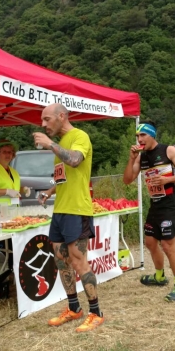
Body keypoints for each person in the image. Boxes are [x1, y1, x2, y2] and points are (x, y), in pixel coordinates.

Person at [33, 103, 104, 332]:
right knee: (61, 260)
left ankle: (96, 312)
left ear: (61, 116)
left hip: (77, 210)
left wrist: (50, 144)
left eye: (47, 119)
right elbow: (62, 177)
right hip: (60, 211)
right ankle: (74, 308)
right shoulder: (60, 145)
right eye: (42, 121)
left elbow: (75, 160)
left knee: (78, 260)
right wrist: (48, 191)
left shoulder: (79, 136)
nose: (43, 125)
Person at [122, 121, 175, 302]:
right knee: (150, 242)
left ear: (152, 135)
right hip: (155, 204)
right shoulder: (141, 156)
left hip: (171, 204)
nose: (139, 139)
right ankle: (159, 277)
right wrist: (131, 159)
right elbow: (127, 180)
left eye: (142, 135)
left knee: (169, 246)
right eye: (137, 136)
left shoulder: (168, 150)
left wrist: (167, 180)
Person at [0, 139, 30, 270]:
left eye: (10, 152)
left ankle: (11, 271)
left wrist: (23, 189)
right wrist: (7, 191)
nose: (8, 154)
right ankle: (1, 272)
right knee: (2, 247)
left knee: (13, 246)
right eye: (4, 152)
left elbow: (13, 189)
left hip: (13, 215)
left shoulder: (13, 172)